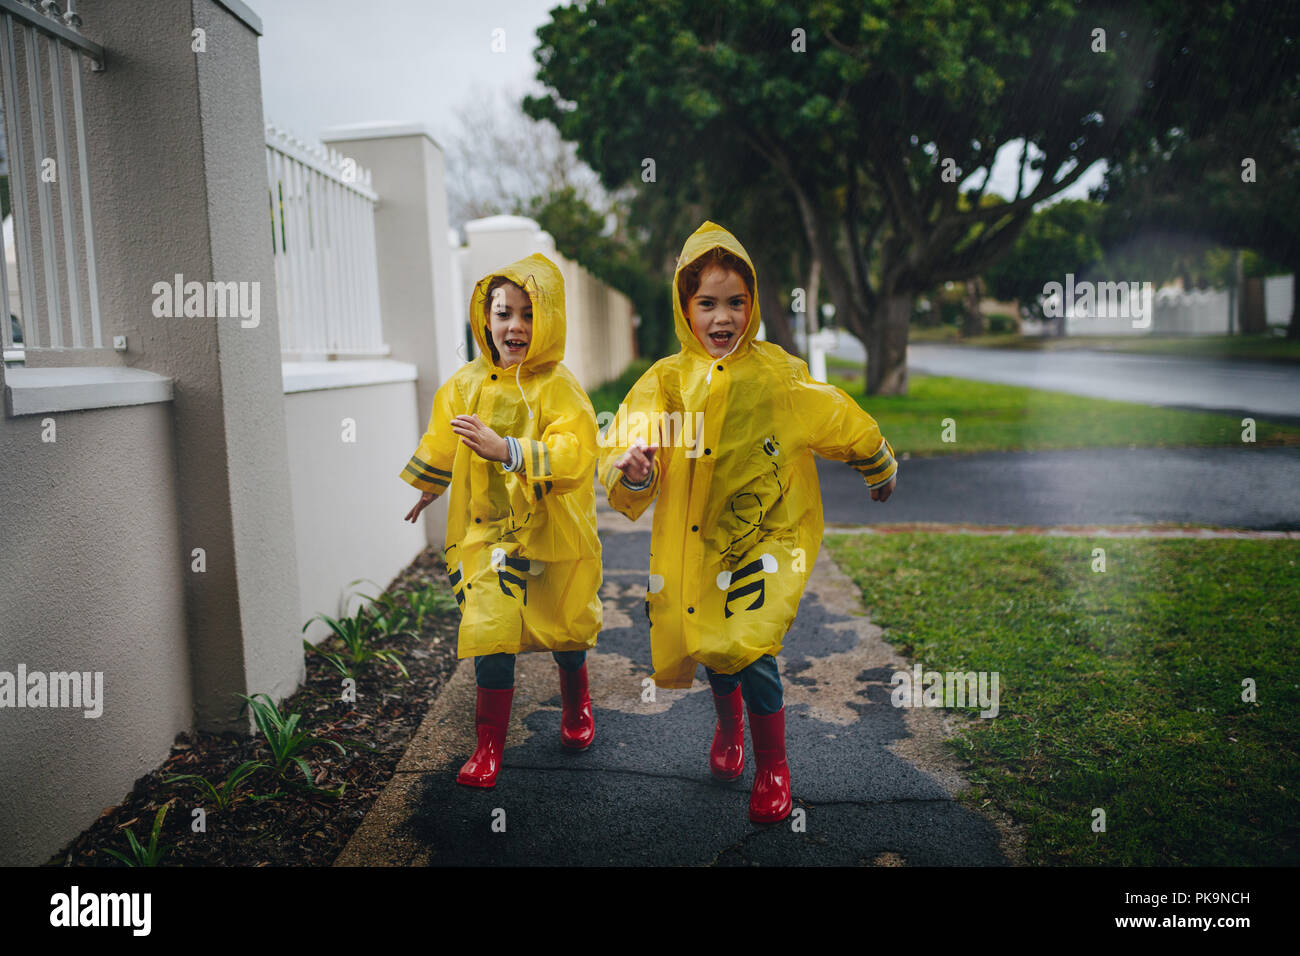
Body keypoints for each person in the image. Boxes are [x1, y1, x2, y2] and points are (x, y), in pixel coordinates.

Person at [599, 221, 897, 822]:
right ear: (686, 308)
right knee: (714, 646)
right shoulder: (668, 381)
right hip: (699, 542)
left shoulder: (775, 374)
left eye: (736, 302)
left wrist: (875, 459)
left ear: (752, 304)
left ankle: (774, 768)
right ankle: (729, 731)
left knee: (750, 645)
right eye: (706, 303)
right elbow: (633, 432)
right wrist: (632, 466)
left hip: (767, 537)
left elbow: (832, 412)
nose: (722, 318)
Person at [402, 252, 602, 788]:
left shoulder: (560, 386)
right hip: (488, 533)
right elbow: (448, 434)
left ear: (548, 322)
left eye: (528, 314)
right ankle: (488, 745)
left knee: (566, 628)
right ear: (485, 319)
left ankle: (576, 703)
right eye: (502, 312)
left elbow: (575, 453)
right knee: (489, 631)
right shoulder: (466, 384)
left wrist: (509, 449)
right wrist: (432, 483)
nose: (514, 325)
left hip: (551, 530)